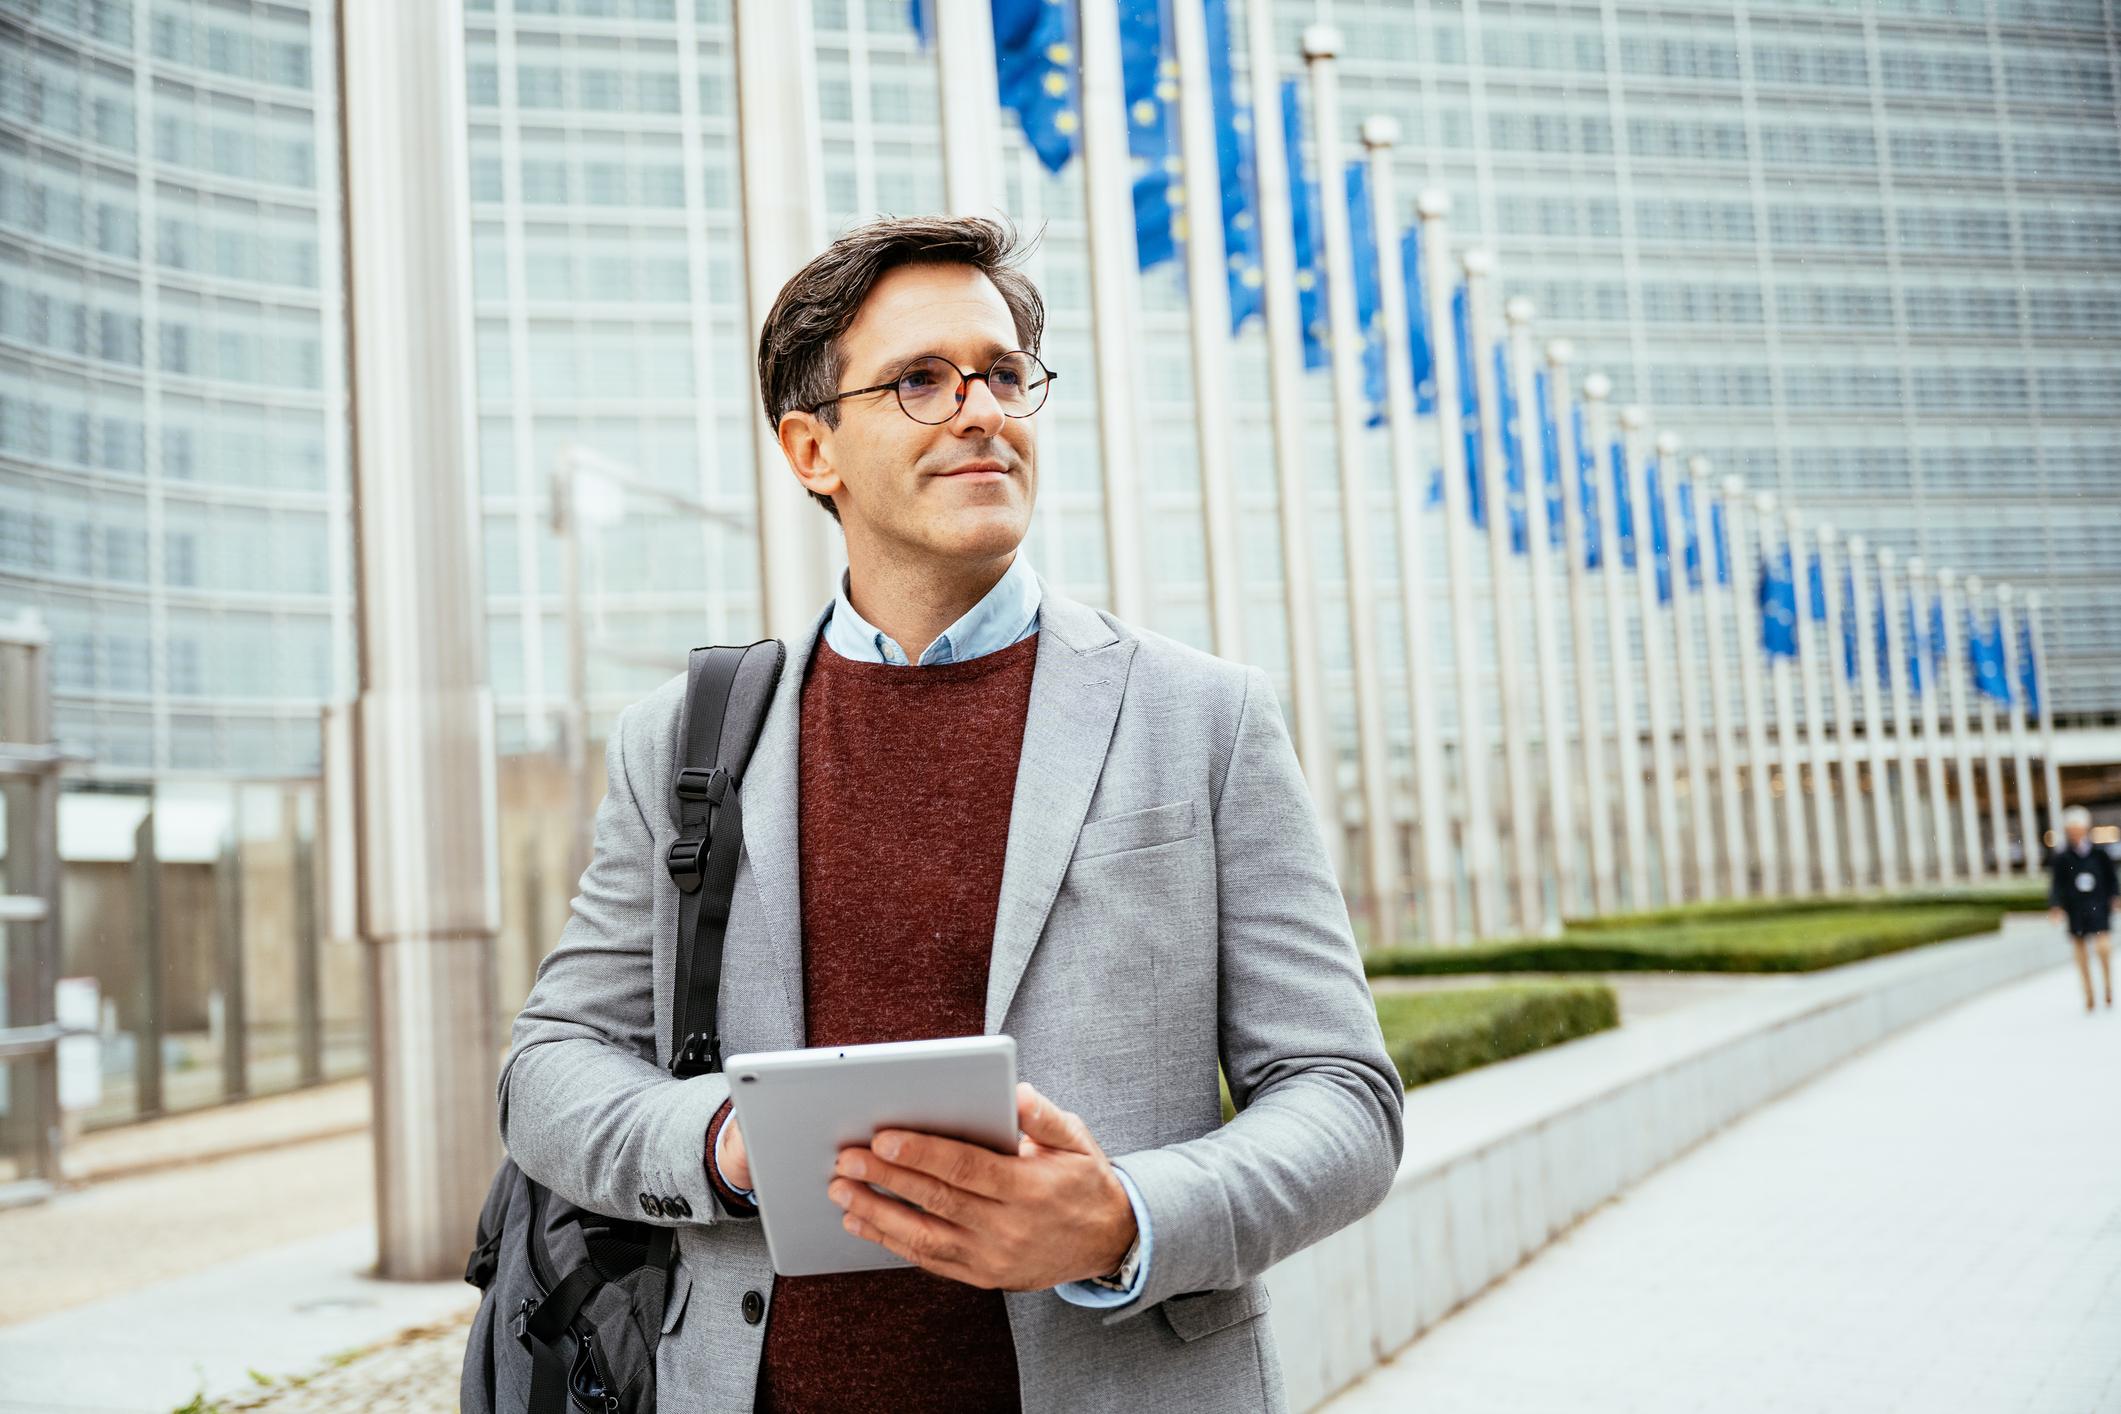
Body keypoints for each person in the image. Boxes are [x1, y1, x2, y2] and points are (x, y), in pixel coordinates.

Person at [497, 216, 1405, 1414]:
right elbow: (547, 1070)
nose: (981, 408)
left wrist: (1121, 1217)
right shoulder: (686, 738)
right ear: (812, 449)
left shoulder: (1206, 718)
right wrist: (725, 1143)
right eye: (921, 380)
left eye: (1004, 373)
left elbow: (1345, 1096)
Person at [2047, 804, 2116, 1013]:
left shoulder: (2099, 854)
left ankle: (2107, 987)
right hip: (2076, 910)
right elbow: (2057, 885)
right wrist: (2056, 906)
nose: (2074, 832)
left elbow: (2111, 878)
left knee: (2103, 948)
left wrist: (2115, 897)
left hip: (2098, 907)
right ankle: (2089, 994)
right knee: (2081, 956)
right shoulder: (2062, 857)